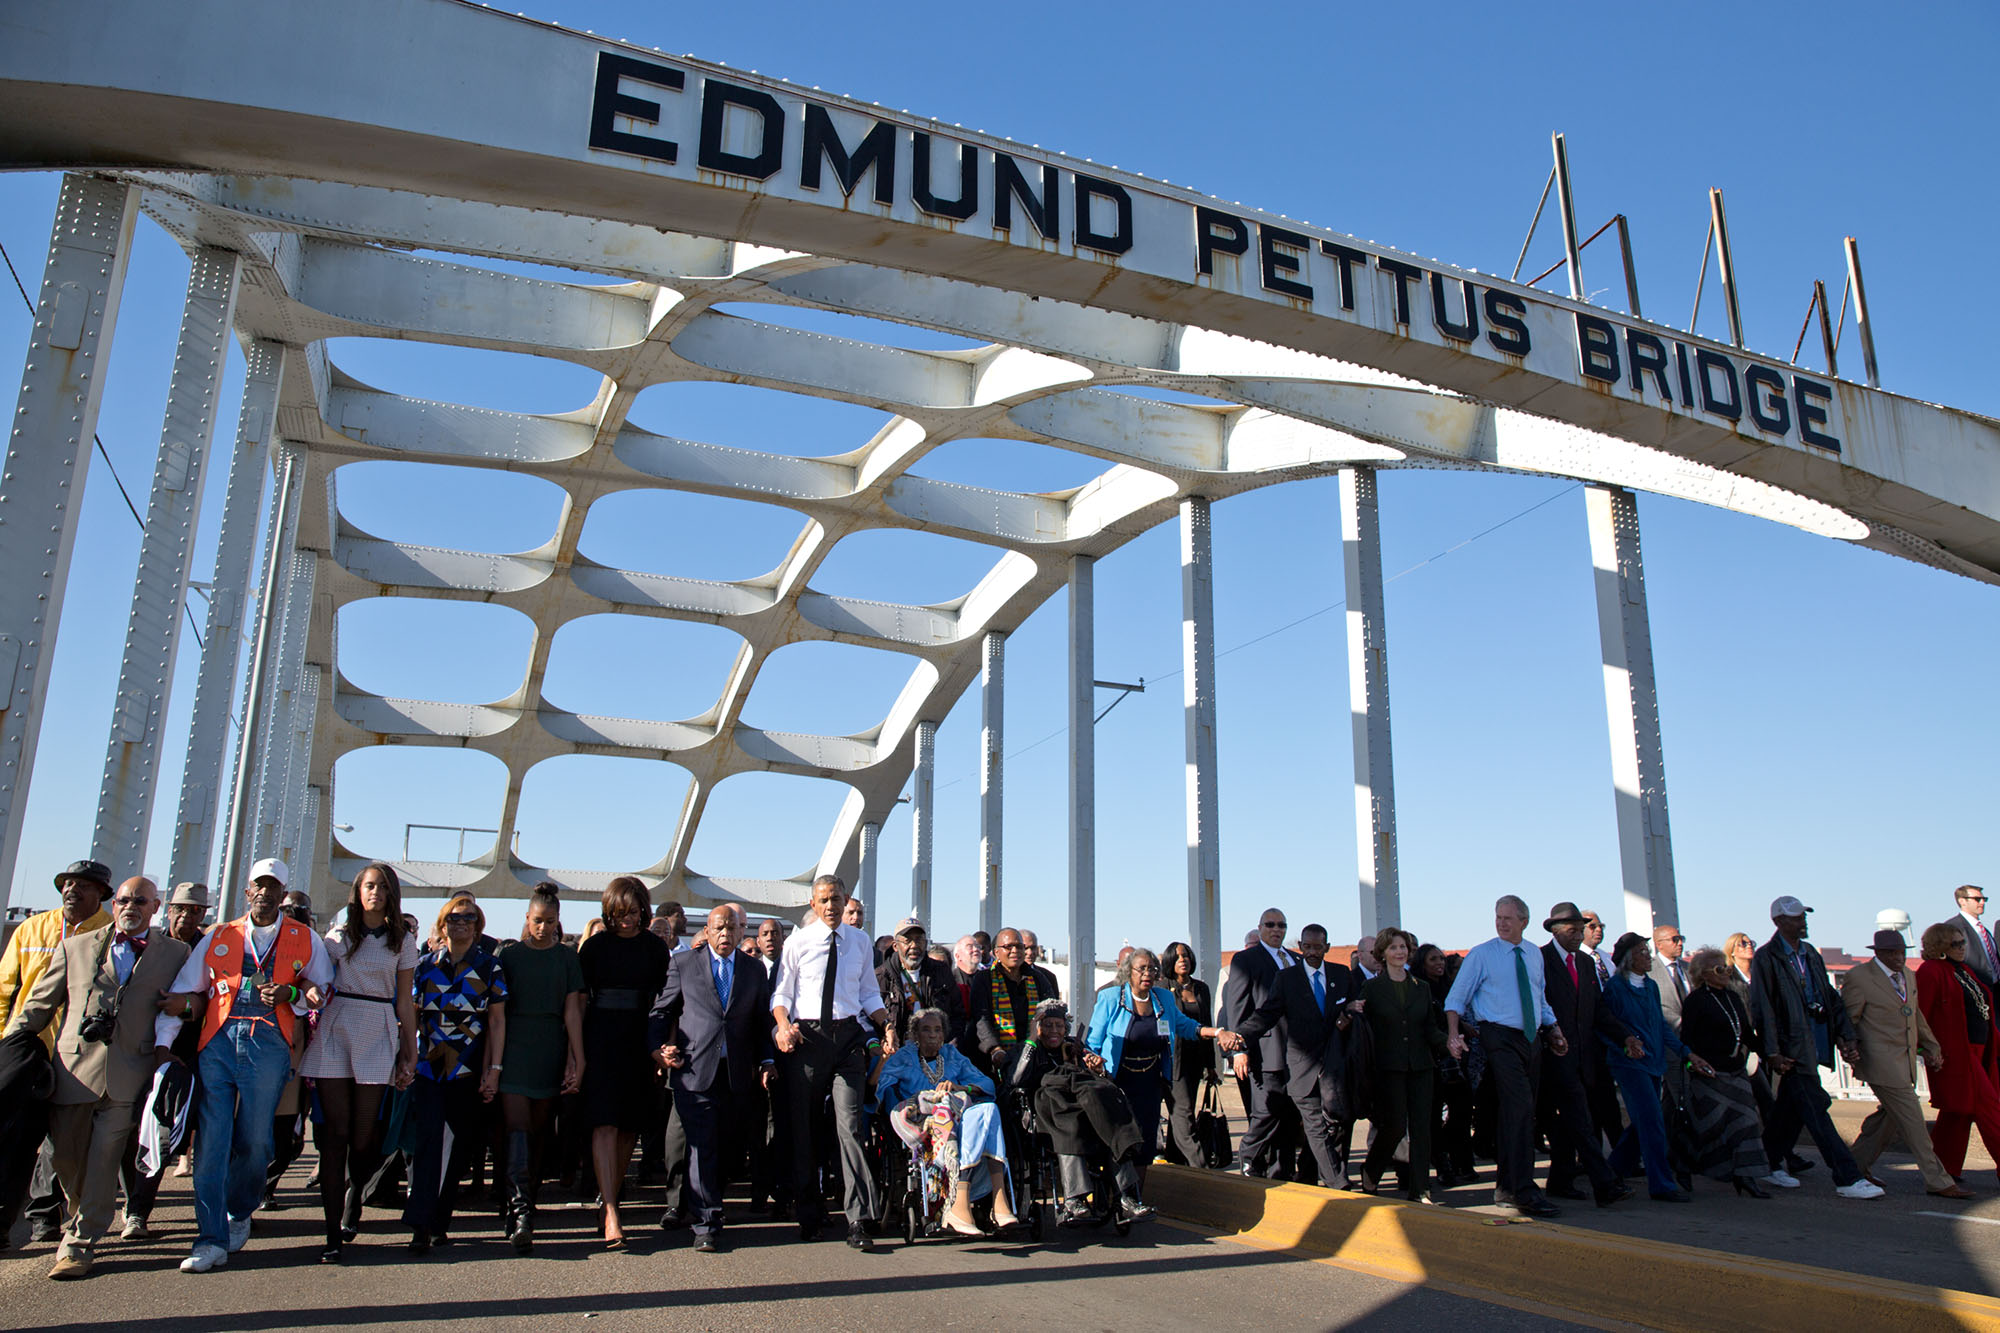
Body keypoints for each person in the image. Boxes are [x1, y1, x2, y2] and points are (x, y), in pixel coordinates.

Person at [2, 875, 189, 1279]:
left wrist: (186, 1004)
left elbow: (200, 997)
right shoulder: (75, 948)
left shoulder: (176, 953)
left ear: (155, 908)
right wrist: (11, 1045)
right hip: (73, 1070)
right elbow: (38, 1006)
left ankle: (80, 1242)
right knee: (67, 1159)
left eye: (140, 900)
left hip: (130, 1073)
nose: (130, 907)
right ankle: (82, 1210)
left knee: (105, 1156)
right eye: (123, 900)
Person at [158, 858, 334, 1272]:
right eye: (260, 885)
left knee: (255, 1142)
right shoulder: (219, 936)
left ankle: (240, 1209)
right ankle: (209, 1239)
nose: (266, 893)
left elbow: (322, 988)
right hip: (217, 1042)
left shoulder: (303, 937)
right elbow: (186, 989)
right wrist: (165, 1046)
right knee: (211, 1144)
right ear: (248, 890)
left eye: (275, 888)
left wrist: (293, 993)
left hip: (268, 1045)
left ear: (283, 894)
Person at [298, 861, 418, 1262]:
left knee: (364, 1138)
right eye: (369, 886)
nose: (375, 893)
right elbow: (312, 976)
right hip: (338, 1025)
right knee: (334, 1135)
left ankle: (355, 1194)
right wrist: (312, 991)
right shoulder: (337, 935)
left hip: (378, 1025)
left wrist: (408, 1049)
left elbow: (404, 999)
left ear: (391, 894)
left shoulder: (403, 941)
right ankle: (332, 1231)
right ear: (358, 890)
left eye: (383, 888)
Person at [771, 873, 893, 1250]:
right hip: (808, 1040)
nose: (830, 906)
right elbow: (782, 994)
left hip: (848, 1040)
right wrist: (782, 1024)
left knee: (851, 1126)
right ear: (813, 904)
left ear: (845, 901)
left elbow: (869, 994)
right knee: (805, 1129)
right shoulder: (798, 942)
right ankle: (809, 1214)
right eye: (823, 900)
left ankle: (858, 1219)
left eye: (836, 899)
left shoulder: (860, 943)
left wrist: (886, 1024)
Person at [0, 858, 114, 1246]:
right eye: (67, 884)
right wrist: (6, 1042)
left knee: (63, 1143)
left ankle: (54, 1212)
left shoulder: (112, 935)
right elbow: (5, 989)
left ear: (101, 894)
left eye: (82, 885)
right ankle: (11, 1221)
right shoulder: (34, 928)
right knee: (18, 1139)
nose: (71, 890)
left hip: (80, 1056)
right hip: (30, 1053)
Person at [649, 904, 773, 1253]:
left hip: (735, 1073)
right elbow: (661, 1011)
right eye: (718, 928)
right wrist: (659, 1048)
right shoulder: (684, 964)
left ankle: (710, 1204)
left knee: (728, 1147)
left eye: (731, 929)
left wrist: (765, 1059)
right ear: (707, 929)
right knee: (701, 1144)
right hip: (694, 1070)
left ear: (739, 932)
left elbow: (762, 1021)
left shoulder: (752, 971)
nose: (725, 934)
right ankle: (706, 1222)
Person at [1444, 895, 1568, 1217]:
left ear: (1523, 921)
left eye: (1508, 918)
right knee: (1520, 1107)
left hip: (1531, 1038)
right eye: (1498, 917)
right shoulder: (1482, 955)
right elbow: (1456, 998)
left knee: (1520, 1112)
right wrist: (1454, 1034)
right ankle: (1524, 1190)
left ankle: (1508, 1188)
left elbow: (1538, 997)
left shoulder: (1532, 954)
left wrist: (1553, 1029)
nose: (1501, 923)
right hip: (1497, 1036)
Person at [1750, 895, 1883, 1198]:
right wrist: (1772, 1052)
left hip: (1814, 1043)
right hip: (1791, 1049)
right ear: (1780, 922)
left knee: (1790, 1110)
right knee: (1816, 1107)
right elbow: (1763, 1007)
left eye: (1803, 916)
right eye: (1797, 918)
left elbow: (1829, 998)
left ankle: (1767, 1161)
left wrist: (1846, 1037)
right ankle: (1847, 1177)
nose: (1803, 921)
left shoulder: (1810, 954)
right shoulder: (1767, 957)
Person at [403, 894, 506, 1254]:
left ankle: (440, 1220)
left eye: (469, 918)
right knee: (428, 1141)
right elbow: (413, 1014)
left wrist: (493, 1070)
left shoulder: (490, 967)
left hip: (470, 1064)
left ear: (478, 926)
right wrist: (408, 1057)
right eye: (454, 918)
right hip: (430, 1064)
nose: (461, 924)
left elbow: (496, 1021)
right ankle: (421, 1222)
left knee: (459, 1144)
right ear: (442, 924)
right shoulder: (425, 966)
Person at [1086, 947, 1238, 1174]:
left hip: (1150, 1079)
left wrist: (1217, 1033)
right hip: (1118, 1079)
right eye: (1142, 969)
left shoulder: (1163, 998)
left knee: (1146, 1140)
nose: (1148, 973)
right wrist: (1093, 1064)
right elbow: (1093, 1042)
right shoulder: (1110, 998)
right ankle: (1116, 1198)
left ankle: (1139, 1197)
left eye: (1152, 969)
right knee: (1120, 1139)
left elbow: (1186, 1025)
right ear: (1130, 972)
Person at [578, 875, 670, 1248]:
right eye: (618, 913)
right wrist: (577, 1054)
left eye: (633, 912)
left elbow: (665, 1002)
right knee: (604, 1124)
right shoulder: (594, 948)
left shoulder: (655, 949)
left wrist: (661, 1047)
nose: (626, 920)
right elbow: (580, 1002)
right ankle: (613, 1209)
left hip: (640, 1039)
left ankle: (608, 1197)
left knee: (629, 1127)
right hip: (600, 1038)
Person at [873, 1007, 1020, 1237]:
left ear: (944, 1035)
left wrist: (962, 1087)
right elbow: (884, 1089)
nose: (932, 1034)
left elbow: (987, 1086)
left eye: (938, 1030)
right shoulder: (903, 1058)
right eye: (926, 1029)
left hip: (959, 1118)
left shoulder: (952, 1056)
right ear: (915, 1035)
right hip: (927, 1121)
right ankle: (963, 1203)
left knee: (989, 1109)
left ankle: (997, 1199)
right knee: (947, 1111)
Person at [1007, 1000, 1153, 1224]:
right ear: (1038, 1027)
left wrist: (1096, 1068)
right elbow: (1016, 1080)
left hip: (1082, 1108)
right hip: (1049, 1110)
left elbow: (1097, 1086)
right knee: (1071, 1124)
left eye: (1059, 1025)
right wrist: (1033, 1040)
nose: (1054, 1031)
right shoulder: (1028, 1048)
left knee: (1110, 1121)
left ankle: (1127, 1197)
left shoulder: (1074, 1049)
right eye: (1047, 1025)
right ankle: (1074, 1199)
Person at [496, 882, 585, 1252]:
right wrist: (494, 1064)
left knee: (538, 1131)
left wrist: (578, 1058)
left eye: (550, 922)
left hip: (550, 1045)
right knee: (516, 1127)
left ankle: (527, 1199)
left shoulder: (567, 958)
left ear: (558, 921)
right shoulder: (509, 956)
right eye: (537, 921)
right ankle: (519, 1212)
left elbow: (572, 1012)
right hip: (515, 1046)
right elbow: (496, 1015)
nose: (543, 928)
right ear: (527, 918)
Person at [1234, 923, 1355, 1188]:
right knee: (1314, 1125)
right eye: (1307, 947)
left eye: (1318, 947)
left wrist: (1349, 1014)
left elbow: (1355, 1007)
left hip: (1335, 1066)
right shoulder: (1287, 979)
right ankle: (1338, 1182)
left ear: (1327, 947)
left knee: (1338, 1123)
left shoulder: (1342, 974)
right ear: (1300, 947)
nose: (1312, 952)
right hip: (1301, 1067)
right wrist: (1240, 1038)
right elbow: (1268, 1013)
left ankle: (1310, 1174)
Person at [1842, 931, 1962, 1197]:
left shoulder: (1908, 975)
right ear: (1879, 953)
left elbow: (1915, 1014)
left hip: (1903, 1059)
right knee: (1913, 1121)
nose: (1899, 958)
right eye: (1893, 954)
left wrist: (1931, 1046)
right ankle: (1938, 1180)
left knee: (1888, 1119)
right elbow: (1848, 1020)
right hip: (1878, 1061)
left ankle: (1854, 1167)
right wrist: (1847, 1048)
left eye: (1902, 953)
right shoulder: (1859, 977)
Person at [1600, 934, 1712, 1202]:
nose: (1648, 956)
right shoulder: (1615, 988)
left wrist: (1686, 1053)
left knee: (1643, 1123)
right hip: (1629, 1065)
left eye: (1647, 951)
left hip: (1654, 1063)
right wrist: (1626, 1043)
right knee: (1652, 1122)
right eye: (1642, 952)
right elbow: (1605, 1025)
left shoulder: (1650, 987)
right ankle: (1661, 1185)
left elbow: (1661, 1026)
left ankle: (1611, 1171)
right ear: (1629, 958)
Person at [1537, 903, 1634, 1207]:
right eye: (1572, 930)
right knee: (1579, 1117)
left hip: (1585, 1055)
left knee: (1574, 1119)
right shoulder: (1539, 959)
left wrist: (1625, 1035)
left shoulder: (1585, 962)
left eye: (1581, 930)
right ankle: (1604, 1182)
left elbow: (1598, 1010)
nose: (1579, 935)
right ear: (1555, 930)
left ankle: (1561, 1180)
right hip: (1555, 1054)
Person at [1678, 947, 1778, 1195]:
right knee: (1709, 1127)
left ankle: (1746, 1176)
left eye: (1727, 968)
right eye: (1719, 969)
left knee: (1748, 1122)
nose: (1726, 972)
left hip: (1736, 1071)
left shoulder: (1732, 997)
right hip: (1709, 1074)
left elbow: (1745, 1034)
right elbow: (1687, 1039)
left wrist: (1772, 1056)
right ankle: (1682, 1166)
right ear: (1704, 973)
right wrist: (1693, 1064)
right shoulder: (1695, 1001)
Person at [1358, 927, 1448, 1203]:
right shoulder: (1371, 988)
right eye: (1394, 947)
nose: (1399, 952)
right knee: (1394, 1126)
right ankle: (1371, 1171)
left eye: (1403, 948)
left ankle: (1420, 1188)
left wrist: (1450, 1043)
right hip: (1388, 1067)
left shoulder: (1422, 988)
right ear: (1383, 953)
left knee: (1422, 1128)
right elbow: (1367, 1030)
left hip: (1421, 1065)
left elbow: (1430, 1028)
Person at [1915, 920, 2000, 1187]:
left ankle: (1941, 1169)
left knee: (1958, 1112)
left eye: (1963, 942)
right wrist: (1928, 1049)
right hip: (1955, 1055)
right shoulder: (1930, 971)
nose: (1962, 947)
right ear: (1940, 946)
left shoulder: (1963, 969)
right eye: (1956, 943)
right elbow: (1921, 1015)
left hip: (1979, 1049)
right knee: (1991, 1109)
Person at [1223, 907, 1300, 1179]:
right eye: (1271, 924)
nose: (1277, 929)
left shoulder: (1295, 960)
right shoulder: (1246, 960)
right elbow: (1237, 1008)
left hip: (1298, 1054)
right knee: (1266, 1111)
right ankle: (1249, 1158)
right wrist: (1238, 1050)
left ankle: (1282, 1174)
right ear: (1260, 927)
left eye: (1282, 925)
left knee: (1290, 1118)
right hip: (1264, 1051)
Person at [1415, 944, 1472, 1187]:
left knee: (1461, 1110)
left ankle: (1462, 1161)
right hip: (1432, 1058)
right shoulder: (1419, 988)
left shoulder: (1450, 987)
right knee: (1433, 1116)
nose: (1439, 963)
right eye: (1432, 959)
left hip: (1455, 1059)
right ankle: (1443, 1165)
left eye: (1441, 958)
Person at [1158, 941, 1216, 1168]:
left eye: (1186, 956)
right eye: (1178, 956)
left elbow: (1207, 1024)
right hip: (1173, 1059)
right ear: (1170, 962)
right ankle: (1199, 1165)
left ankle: (1176, 1160)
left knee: (1183, 1111)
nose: (1183, 960)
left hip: (1196, 1058)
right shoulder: (1162, 987)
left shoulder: (1201, 988)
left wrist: (1211, 1065)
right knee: (1183, 1114)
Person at [971, 928, 1054, 1073]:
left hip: (1035, 1055)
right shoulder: (984, 979)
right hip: (994, 1058)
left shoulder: (1038, 978)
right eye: (1009, 947)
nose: (1015, 950)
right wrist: (995, 1049)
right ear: (996, 952)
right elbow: (981, 1019)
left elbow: (1052, 1011)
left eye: (1019, 946)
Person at [877, 916, 966, 1044]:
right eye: (907, 941)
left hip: (936, 1048)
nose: (914, 946)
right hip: (897, 1050)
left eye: (919, 940)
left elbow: (958, 1013)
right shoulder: (881, 976)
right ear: (896, 946)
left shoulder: (941, 971)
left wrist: (949, 1044)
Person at [1954, 886, 1999, 989]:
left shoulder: (1983, 930)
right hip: (1974, 991)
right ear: (1962, 901)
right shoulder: (1954, 927)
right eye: (1977, 899)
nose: (1982, 902)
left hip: (1993, 991)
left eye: (1984, 899)